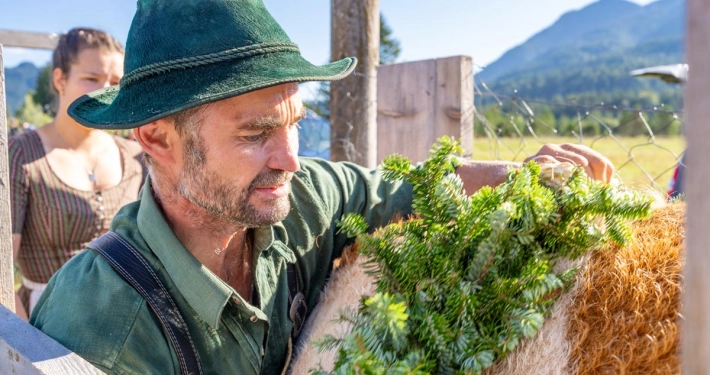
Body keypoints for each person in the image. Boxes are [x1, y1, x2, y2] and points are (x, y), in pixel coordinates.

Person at [30, 1, 614, 374]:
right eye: (257, 133)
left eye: (295, 124)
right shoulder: (98, 327)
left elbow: (406, 187)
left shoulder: (298, 201)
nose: (290, 159)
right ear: (156, 138)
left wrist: (517, 175)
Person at [9, 28, 145, 321]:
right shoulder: (21, 154)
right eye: (92, 79)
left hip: (127, 321)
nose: (106, 91)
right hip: (47, 320)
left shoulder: (135, 156)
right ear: (60, 79)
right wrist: (26, 350)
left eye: (116, 82)